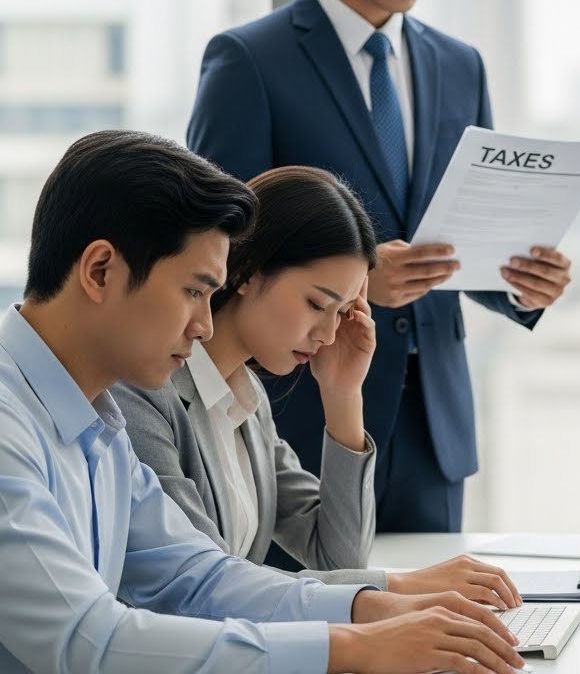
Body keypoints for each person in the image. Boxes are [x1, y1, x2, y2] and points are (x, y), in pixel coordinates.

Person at [0, 131, 527, 673]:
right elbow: (88, 640)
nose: (204, 323)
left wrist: (374, 607)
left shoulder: (98, 426)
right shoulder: (10, 426)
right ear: (100, 271)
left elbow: (200, 576)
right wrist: (354, 645)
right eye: (193, 291)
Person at [187, 0, 573, 535]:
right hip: (301, 409)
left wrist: (518, 281)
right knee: (306, 609)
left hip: (433, 423)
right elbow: (214, 242)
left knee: (435, 613)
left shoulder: (459, 65)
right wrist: (360, 279)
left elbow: (463, 234)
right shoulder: (250, 59)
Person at [113, 166, 522, 606]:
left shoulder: (246, 402)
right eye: (316, 304)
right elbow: (202, 582)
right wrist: (401, 586)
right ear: (247, 269)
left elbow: (339, 555)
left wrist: (343, 393)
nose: (328, 334)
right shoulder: (148, 391)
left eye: (344, 312)